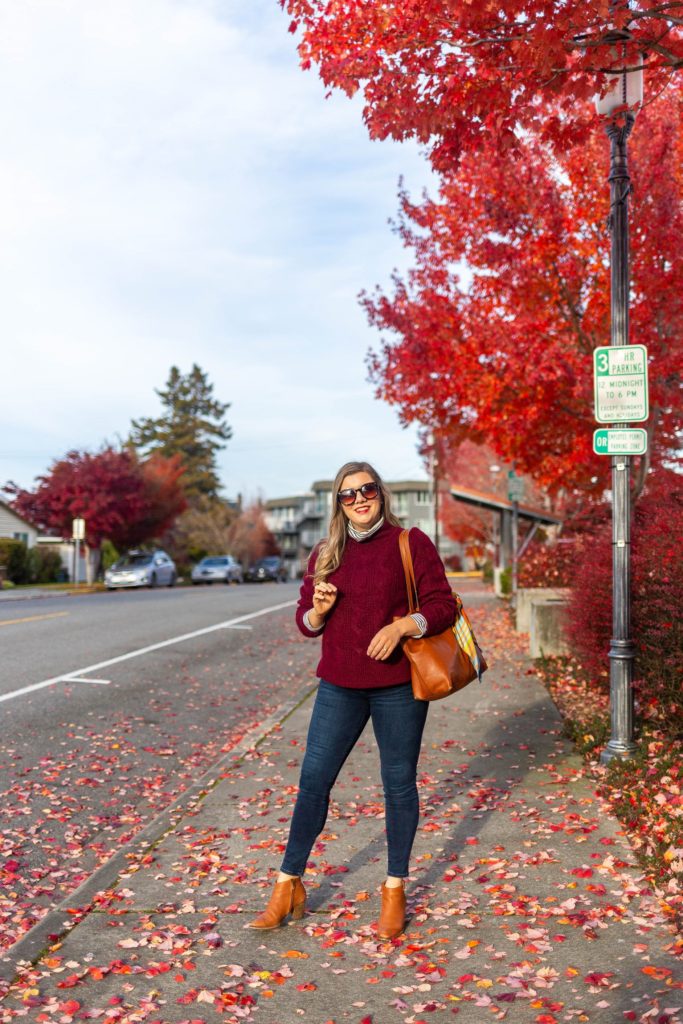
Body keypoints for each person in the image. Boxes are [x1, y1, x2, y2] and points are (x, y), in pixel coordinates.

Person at [247, 461, 457, 939]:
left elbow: (442, 604)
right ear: (338, 504)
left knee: (398, 784)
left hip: (399, 687)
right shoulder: (324, 553)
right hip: (339, 684)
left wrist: (404, 625)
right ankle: (287, 885)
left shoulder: (410, 543)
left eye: (367, 490)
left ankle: (394, 889)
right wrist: (319, 611)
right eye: (348, 494)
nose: (360, 499)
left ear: (381, 494)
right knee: (313, 780)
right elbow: (305, 620)